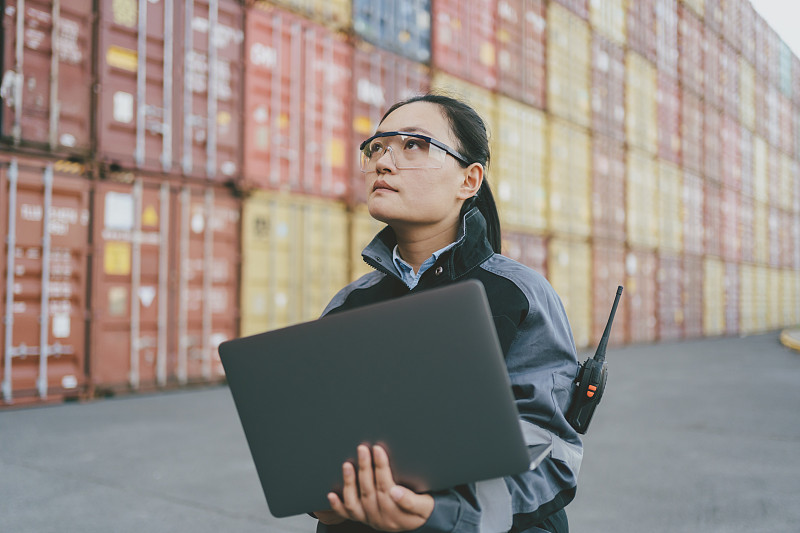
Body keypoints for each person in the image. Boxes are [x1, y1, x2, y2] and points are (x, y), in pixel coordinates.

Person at [312, 94, 582, 533]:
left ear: (469, 180)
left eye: (413, 145)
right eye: (376, 147)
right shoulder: (347, 306)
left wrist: (444, 516)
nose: (383, 161)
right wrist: (321, 497)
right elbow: (321, 443)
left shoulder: (518, 296)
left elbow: (549, 455)